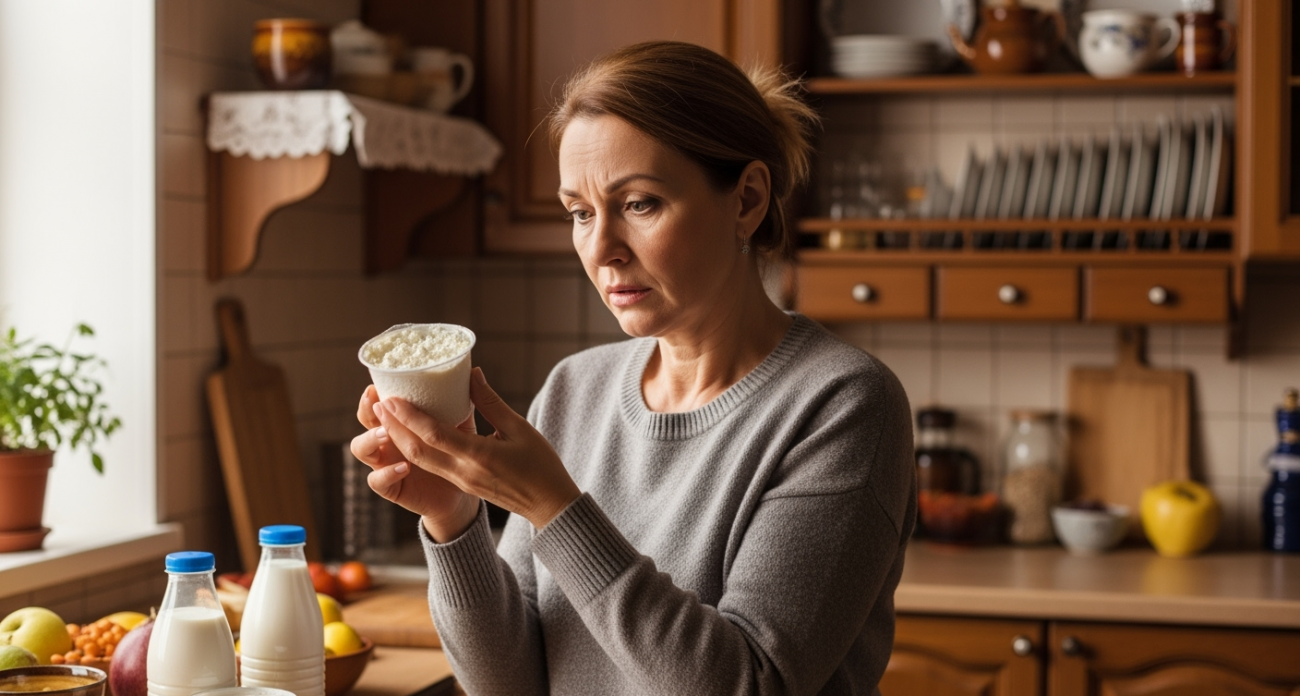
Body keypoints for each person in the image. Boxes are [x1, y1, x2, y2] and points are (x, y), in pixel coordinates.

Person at [350, 40, 916, 696]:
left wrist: (554, 506)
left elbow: (750, 684)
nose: (601, 249)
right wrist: (453, 519)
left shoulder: (842, 404)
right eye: (580, 212)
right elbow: (510, 686)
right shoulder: (574, 390)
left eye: (640, 203)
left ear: (746, 200)